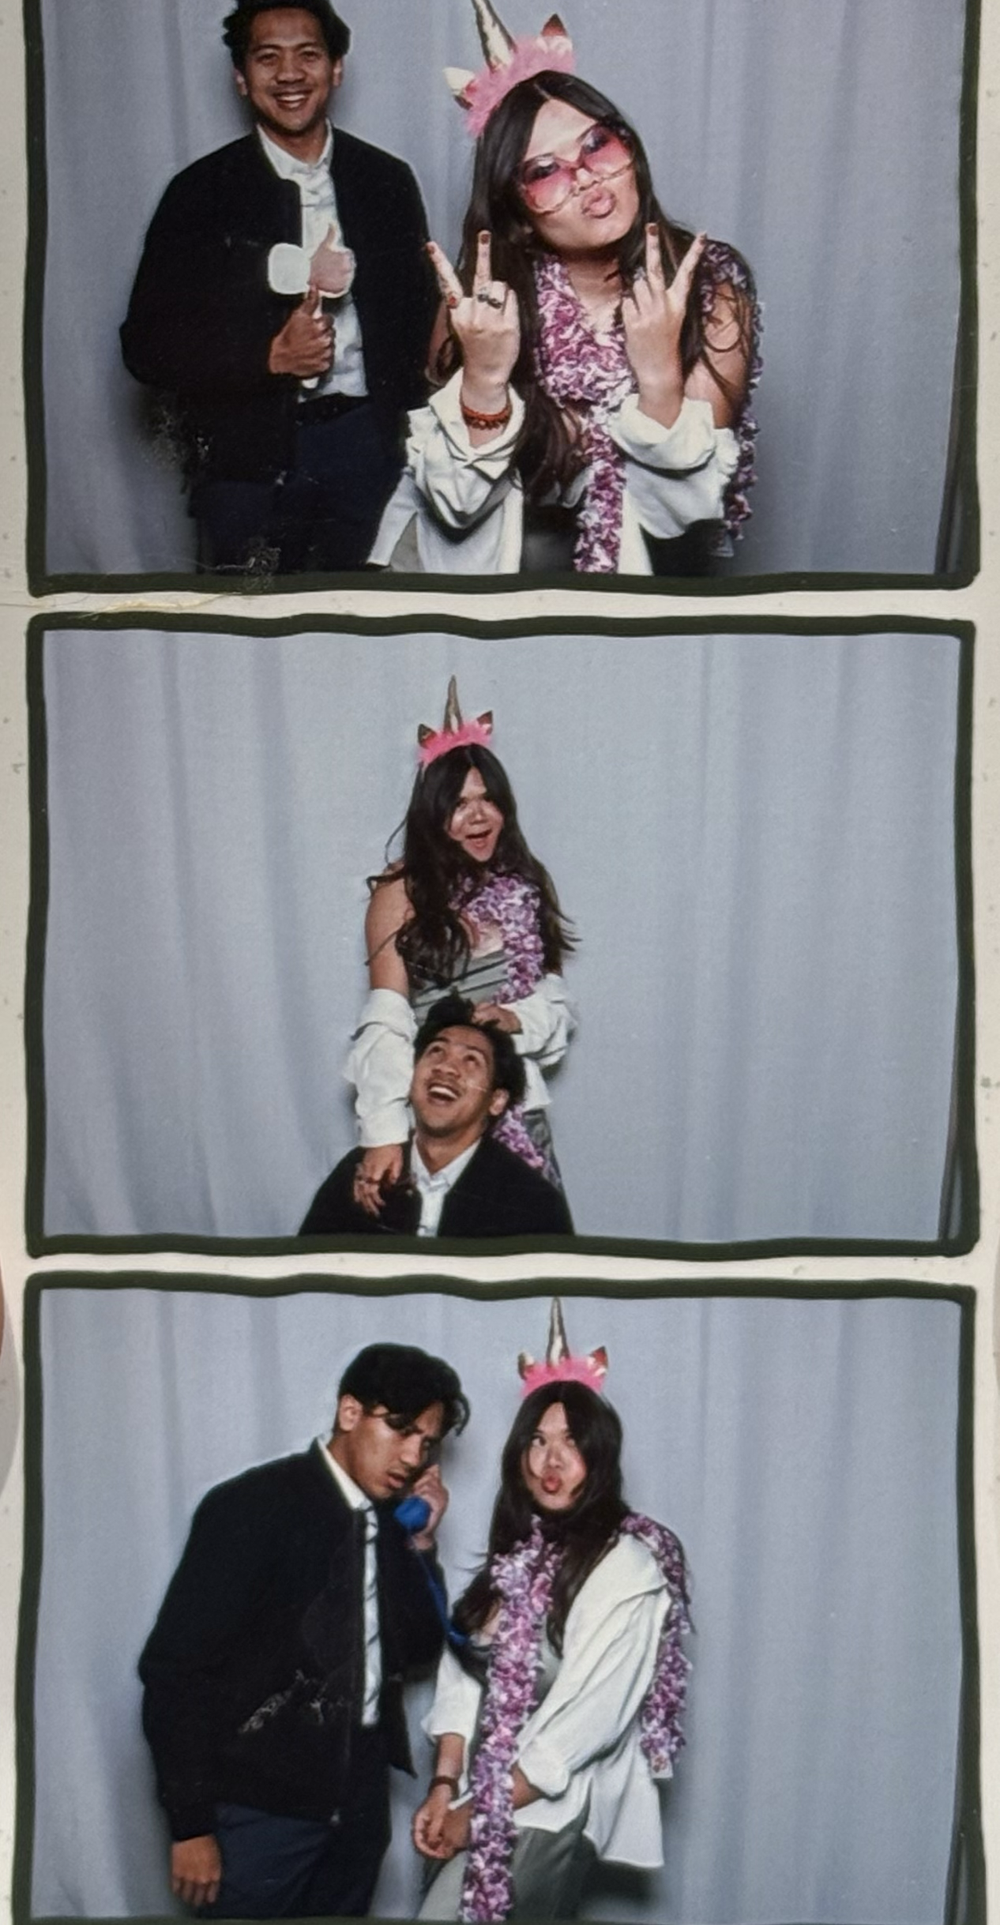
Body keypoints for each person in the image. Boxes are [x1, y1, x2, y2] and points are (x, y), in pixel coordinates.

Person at [372, 0, 760, 579]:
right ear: (519, 216)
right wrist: (484, 380)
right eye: (546, 171)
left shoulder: (708, 292)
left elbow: (683, 514)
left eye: (597, 144)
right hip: (468, 573)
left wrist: (657, 373)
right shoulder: (481, 300)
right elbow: (456, 505)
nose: (585, 177)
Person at [139, 1342, 468, 1919]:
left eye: (427, 1441)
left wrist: (420, 1544)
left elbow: (417, 1651)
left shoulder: (392, 1523)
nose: (413, 1455)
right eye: (400, 1429)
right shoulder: (251, 1505)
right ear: (349, 1413)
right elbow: (175, 1672)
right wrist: (189, 1825)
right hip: (260, 1812)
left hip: (359, 1814)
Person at [120, 0, 436, 575]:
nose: (289, 74)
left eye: (308, 55)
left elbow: (418, 327)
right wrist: (267, 358)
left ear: (336, 68)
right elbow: (145, 347)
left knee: (371, 629)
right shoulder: (199, 192)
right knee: (249, 638)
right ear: (242, 78)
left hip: (368, 450)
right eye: (268, 58)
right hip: (247, 468)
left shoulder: (387, 180)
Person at [412, 1299, 691, 1922]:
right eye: (536, 1441)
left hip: (548, 1809)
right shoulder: (518, 1555)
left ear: (600, 1457)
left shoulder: (631, 1567)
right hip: (478, 1796)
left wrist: (476, 1813)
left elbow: (590, 1723)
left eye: (570, 1443)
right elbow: (464, 1671)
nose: (551, 1461)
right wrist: (444, 1785)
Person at [345, 680, 576, 1218]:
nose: (478, 817)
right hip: (432, 1120)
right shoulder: (400, 892)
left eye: (488, 800)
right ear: (433, 814)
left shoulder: (524, 883)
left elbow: (557, 1004)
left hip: (516, 1112)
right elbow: (387, 1016)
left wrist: (514, 1020)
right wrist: (382, 1132)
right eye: (460, 804)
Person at [301, 994, 574, 1240]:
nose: (447, 1067)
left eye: (471, 1060)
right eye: (436, 1051)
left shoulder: (531, 1199)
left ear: (496, 1100)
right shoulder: (361, 1175)